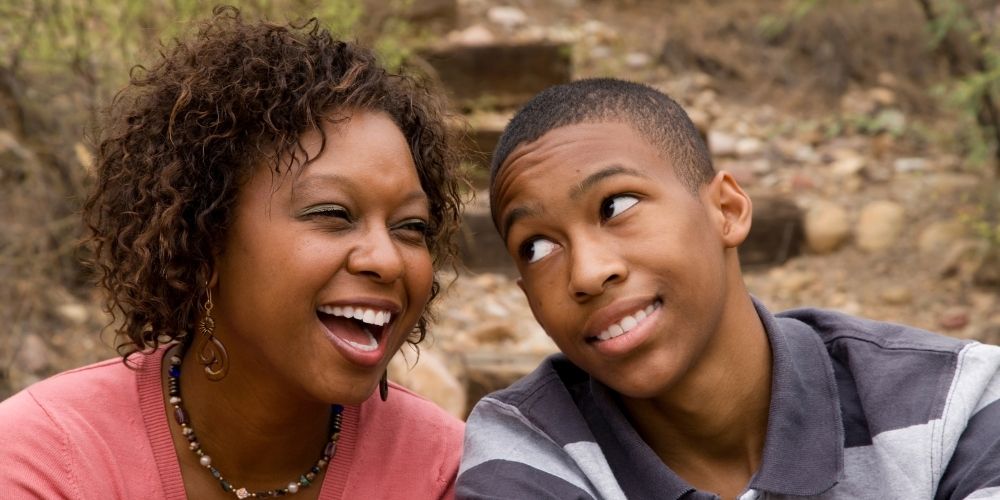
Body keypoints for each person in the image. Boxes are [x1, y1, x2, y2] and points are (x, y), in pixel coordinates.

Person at [0, 6, 467, 499]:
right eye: (332, 213)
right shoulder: (46, 463)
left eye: (411, 227)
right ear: (205, 238)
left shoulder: (446, 475)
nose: (389, 259)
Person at [456, 78, 1000, 499]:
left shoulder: (952, 404)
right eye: (538, 247)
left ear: (728, 210)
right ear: (527, 295)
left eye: (616, 206)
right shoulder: (531, 449)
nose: (587, 273)